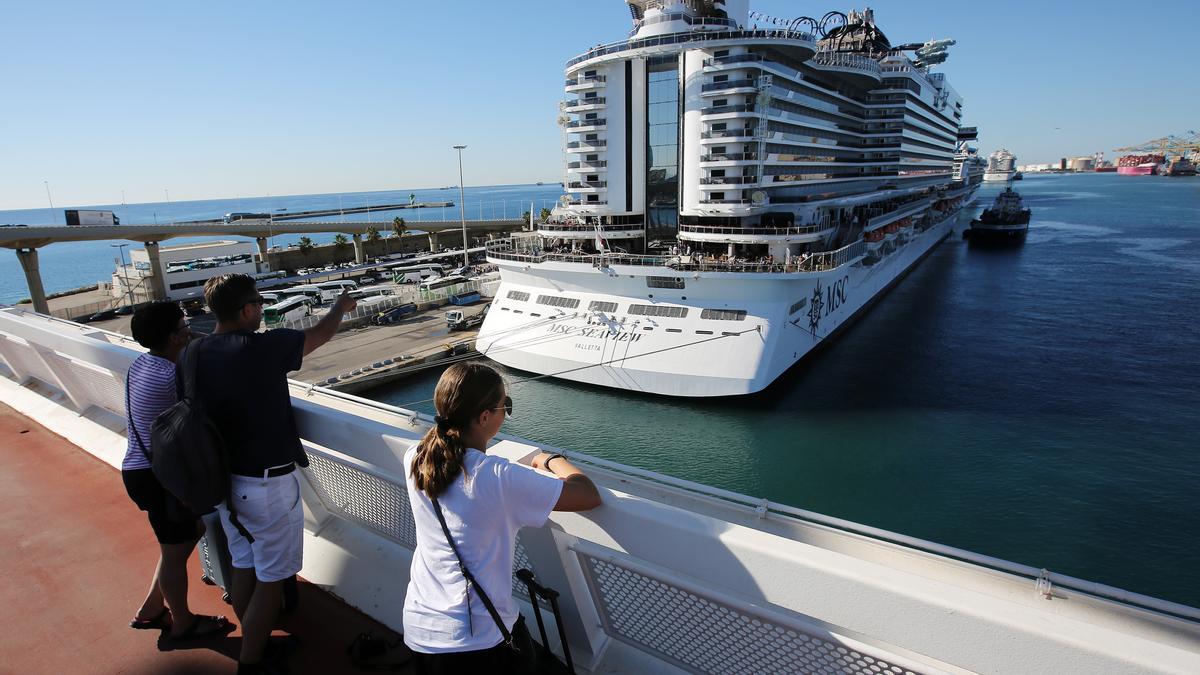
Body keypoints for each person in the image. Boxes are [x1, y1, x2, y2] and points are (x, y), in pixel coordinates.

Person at [185, 274, 355, 675]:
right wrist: (339, 308)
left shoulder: (194, 352)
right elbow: (319, 336)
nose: (262, 310)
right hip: (267, 485)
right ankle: (253, 662)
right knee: (271, 578)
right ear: (246, 310)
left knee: (243, 564)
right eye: (259, 304)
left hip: (224, 483)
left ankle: (253, 640)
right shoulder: (265, 347)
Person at [403, 363, 601, 673]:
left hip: (420, 627)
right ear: (484, 417)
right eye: (504, 406)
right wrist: (550, 458)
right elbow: (587, 494)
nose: (505, 413)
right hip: (475, 639)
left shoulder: (416, 456)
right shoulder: (496, 477)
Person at [124, 301, 233, 640]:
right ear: (173, 337)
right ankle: (182, 624)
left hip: (138, 468)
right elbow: (201, 415)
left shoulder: (141, 364)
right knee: (174, 553)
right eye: (184, 327)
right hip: (159, 477)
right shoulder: (172, 375)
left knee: (186, 536)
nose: (189, 330)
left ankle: (151, 607)